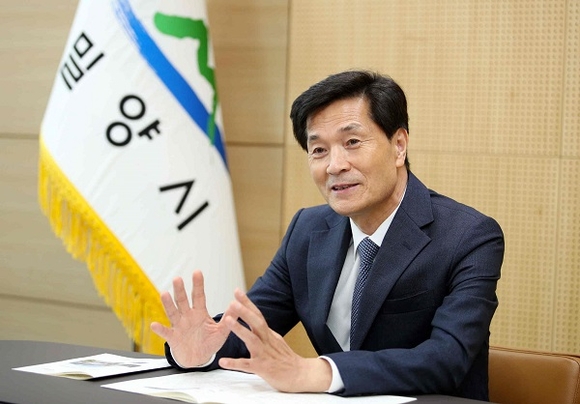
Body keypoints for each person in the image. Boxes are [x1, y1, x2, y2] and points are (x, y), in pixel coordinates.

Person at [151, 70, 504, 401]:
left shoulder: (468, 236)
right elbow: (251, 328)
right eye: (319, 150)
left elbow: (447, 359)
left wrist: (316, 372)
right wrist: (204, 348)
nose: (335, 165)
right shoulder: (307, 230)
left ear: (399, 146)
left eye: (352, 142)